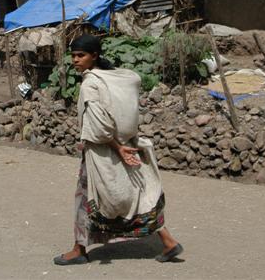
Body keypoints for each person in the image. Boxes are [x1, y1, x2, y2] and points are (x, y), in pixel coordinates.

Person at [54, 35, 183, 266]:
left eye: (80, 55)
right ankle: (168, 241)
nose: (75, 60)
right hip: (124, 143)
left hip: (102, 150)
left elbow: (100, 126)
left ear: (94, 55)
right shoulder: (114, 78)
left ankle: (79, 250)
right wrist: (123, 144)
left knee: (85, 197)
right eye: (73, 55)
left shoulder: (91, 83)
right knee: (138, 194)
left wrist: (116, 147)